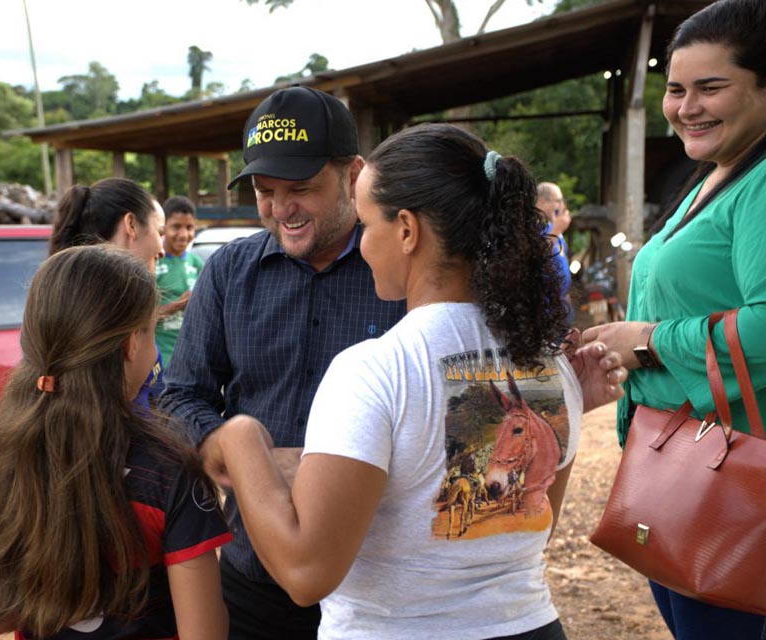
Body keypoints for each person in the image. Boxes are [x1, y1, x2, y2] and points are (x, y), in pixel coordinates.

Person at [201, 123, 628, 639]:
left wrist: (240, 440)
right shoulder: (550, 364)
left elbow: (306, 572)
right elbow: (526, 524)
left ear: (406, 230)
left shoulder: (376, 370)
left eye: (365, 225)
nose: (361, 246)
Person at [158, 86, 407, 638]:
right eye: (264, 191)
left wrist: (329, 470)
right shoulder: (229, 272)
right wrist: (235, 453)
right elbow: (179, 396)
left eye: (300, 188)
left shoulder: (399, 272)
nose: (280, 208)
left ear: (353, 176)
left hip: (378, 585)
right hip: (253, 575)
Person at [0, 245, 230, 640]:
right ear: (131, 344)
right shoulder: (169, 472)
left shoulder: (6, 462)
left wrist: (59, 599)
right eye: (150, 330)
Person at [583, 0, 766, 637]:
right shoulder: (714, 176)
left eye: (710, 87)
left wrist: (650, 342)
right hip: (682, 471)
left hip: (733, 482)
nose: (687, 107)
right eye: (676, 89)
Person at [49, 177, 167, 405]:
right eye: (159, 231)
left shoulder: (68, 300)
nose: (162, 249)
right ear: (131, 225)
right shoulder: (116, 313)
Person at [155, 195, 205, 368]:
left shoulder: (197, 264)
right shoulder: (153, 262)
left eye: (189, 227)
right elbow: (139, 320)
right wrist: (178, 305)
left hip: (191, 359)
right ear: (164, 228)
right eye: (176, 227)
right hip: (160, 360)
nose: (183, 235)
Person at [536, 181, 574, 324]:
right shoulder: (532, 227)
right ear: (541, 202)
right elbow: (538, 256)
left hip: (561, 303)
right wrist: (556, 230)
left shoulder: (552, 226)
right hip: (544, 307)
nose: (561, 206)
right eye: (557, 201)